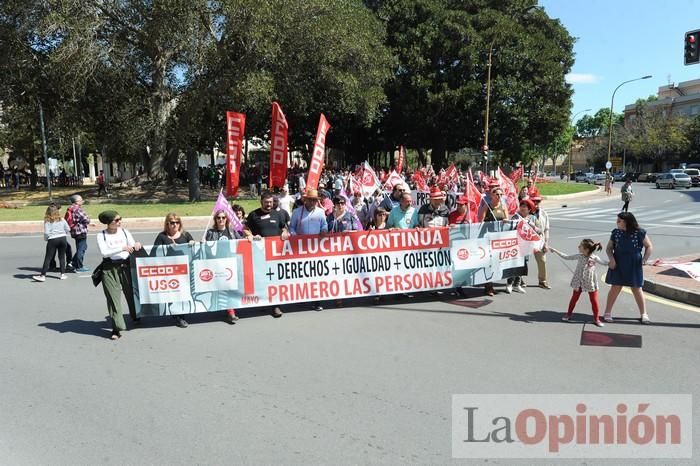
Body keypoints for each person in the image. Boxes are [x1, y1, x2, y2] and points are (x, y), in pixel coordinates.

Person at [96, 211, 142, 340]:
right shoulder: (101, 235)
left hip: (126, 266)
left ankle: (136, 315)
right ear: (108, 223)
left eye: (120, 219)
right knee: (113, 298)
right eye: (116, 220)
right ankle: (116, 328)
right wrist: (121, 248)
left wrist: (136, 245)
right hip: (109, 268)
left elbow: (132, 244)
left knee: (131, 293)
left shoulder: (125, 232)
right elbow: (105, 253)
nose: (119, 222)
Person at [245, 192, 291, 317]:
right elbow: (245, 228)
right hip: (259, 253)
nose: (269, 204)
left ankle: (275, 305)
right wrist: (251, 236)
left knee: (274, 279)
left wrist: (285, 232)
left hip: (275, 254)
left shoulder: (278, 214)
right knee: (262, 278)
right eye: (266, 202)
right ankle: (263, 301)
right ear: (261, 202)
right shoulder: (253, 215)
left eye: (271, 202)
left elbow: (284, 227)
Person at [602, 212, 653, 324]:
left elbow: (649, 246)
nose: (617, 222)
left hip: (634, 263)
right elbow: (609, 248)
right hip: (618, 262)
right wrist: (612, 259)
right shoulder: (616, 233)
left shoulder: (639, 232)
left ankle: (644, 314)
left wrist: (644, 259)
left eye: (619, 221)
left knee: (637, 288)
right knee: (615, 287)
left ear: (626, 222)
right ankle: (607, 312)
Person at [550, 240, 609, 327]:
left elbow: (605, 263)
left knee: (594, 301)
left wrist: (614, 262)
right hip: (579, 282)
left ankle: (596, 319)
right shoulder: (579, 256)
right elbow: (566, 257)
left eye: (580, 246)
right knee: (574, 299)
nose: (578, 247)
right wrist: (555, 250)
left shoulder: (594, 258)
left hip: (590, 282)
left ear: (586, 249)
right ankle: (568, 314)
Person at [288, 188, 327, 311]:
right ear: (305, 200)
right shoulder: (296, 212)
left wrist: (324, 230)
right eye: (310, 200)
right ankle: (302, 298)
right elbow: (291, 227)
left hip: (316, 248)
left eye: (314, 200)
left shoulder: (321, 212)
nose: (312, 202)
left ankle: (317, 301)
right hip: (301, 249)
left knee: (316, 275)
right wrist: (296, 237)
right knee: (303, 273)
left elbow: (324, 225)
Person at [154, 213, 195, 328]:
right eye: (172, 222)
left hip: (184, 270)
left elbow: (193, 248)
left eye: (177, 222)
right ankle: (178, 317)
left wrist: (192, 243)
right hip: (169, 271)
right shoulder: (162, 236)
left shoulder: (185, 235)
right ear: (167, 224)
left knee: (183, 293)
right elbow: (154, 252)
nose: (175, 225)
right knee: (173, 294)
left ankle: (181, 315)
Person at [205, 209, 244, 324]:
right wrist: (201, 242)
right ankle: (230, 312)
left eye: (223, 217)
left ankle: (230, 311)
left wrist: (252, 238)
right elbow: (205, 248)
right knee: (223, 288)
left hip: (231, 264)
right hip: (217, 264)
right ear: (215, 220)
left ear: (226, 219)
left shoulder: (231, 231)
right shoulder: (211, 232)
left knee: (230, 288)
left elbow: (241, 241)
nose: (221, 219)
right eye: (218, 218)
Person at [478, 187, 509, 296]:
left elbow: (507, 218)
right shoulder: (487, 206)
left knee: (497, 262)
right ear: (492, 195)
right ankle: (488, 287)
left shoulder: (503, 206)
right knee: (489, 262)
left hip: (499, 238)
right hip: (488, 238)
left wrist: (505, 220)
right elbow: (480, 220)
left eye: (501, 194)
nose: (499, 196)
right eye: (497, 194)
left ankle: (494, 285)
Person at [506, 199, 537, 294]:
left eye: (525, 207)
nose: (523, 208)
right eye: (522, 206)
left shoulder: (532, 218)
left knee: (522, 265)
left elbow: (538, 230)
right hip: (516, 245)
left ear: (529, 209)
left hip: (526, 246)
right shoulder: (516, 216)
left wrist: (532, 226)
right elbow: (510, 227)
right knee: (513, 264)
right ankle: (509, 284)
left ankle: (517, 284)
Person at [33, 205, 71, 282]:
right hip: (63, 238)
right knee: (62, 257)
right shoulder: (62, 219)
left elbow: (47, 232)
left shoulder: (47, 220)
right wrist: (63, 233)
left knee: (48, 258)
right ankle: (62, 274)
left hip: (53, 239)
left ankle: (43, 275)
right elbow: (68, 228)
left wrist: (46, 239)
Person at [66, 194, 91, 272]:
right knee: (81, 249)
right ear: (77, 201)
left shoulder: (70, 208)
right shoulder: (77, 209)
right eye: (81, 200)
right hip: (80, 231)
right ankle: (79, 266)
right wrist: (88, 218)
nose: (82, 201)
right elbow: (86, 219)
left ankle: (73, 262)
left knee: (82, 247)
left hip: (74, 231)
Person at [530, 196, 551, 289]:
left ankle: (542, 281)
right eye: (534, 201)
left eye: (538, 201)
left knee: (542, 261)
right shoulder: (526, 212)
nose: (536, 203)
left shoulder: (544, 213)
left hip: (539, 240)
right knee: (523, 262)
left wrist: (546, 242)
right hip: (526, 240)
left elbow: (546, 229)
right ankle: (518, 281)